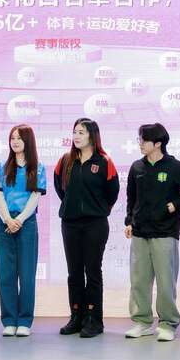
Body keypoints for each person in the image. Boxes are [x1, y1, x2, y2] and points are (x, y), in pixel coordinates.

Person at [124, 123, 180, 342]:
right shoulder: (136, 167)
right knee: (139, 281)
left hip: (165, 232)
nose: (140, 144)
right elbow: (131, 198)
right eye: (139, 139)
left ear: (157, 143)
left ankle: (168, 323)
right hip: (140, 232)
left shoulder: (173, 166)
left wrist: (177, 204)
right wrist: (129, 221)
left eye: (143, 140)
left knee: (166, 282)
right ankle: (142, 322)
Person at [54, 118, 119, 338]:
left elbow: (112, 192)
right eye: (75, 132)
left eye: (81, 132)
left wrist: (96, 208)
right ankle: (76, 316)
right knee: (74, 272)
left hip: (95, 224)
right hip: (70, 223)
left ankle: (94, 319)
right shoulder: (65, 161)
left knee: (92, 271)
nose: (76, 136)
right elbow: (60, 188)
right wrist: (72, 206)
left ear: (92, 135)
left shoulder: (104, 161)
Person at [0, 125, 47, 338]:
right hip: (4, 222)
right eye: (12, 138)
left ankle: (24, 321)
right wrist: (7, 218)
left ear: (28, 141)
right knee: (6, 274)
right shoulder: (2, 166)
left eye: (19, 138)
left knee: (26, 275)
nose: (15, 141)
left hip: (26, 223)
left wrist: (19, 219)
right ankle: (9, 321)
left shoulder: (38, 168)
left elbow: (35, 196)